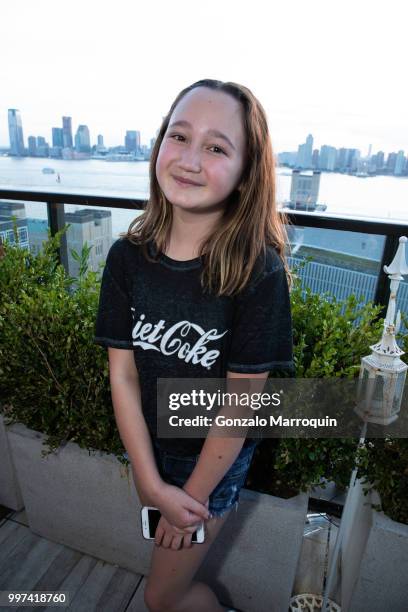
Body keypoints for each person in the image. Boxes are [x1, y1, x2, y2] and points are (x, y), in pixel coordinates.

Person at [94, 79, 294, 612]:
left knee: (163, 595)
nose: (188, 159)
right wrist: (147, 478)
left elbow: (242, 401)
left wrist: (190, 496)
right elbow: (124, 374)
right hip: (151, 452)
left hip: (211, 466)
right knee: (167, 589)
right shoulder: (127, 258)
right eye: (178, 137)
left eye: (216, 147)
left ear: (247, 172)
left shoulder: (259, 273)